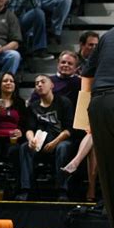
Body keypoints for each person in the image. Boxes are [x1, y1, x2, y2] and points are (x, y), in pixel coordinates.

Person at [80, 22, 114, 228]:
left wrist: (84, 121)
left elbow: (86, 76)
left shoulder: (110, 34)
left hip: (97, 107)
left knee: (112, 183)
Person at [16, 74, 74, 202]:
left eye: (43, 82)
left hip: (60, 140)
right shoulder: (33, 106)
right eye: (36, 83)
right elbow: (29, 128)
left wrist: (55, 142)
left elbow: (69, 129)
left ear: (52, 85)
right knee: (25, 147)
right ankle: (26, 189)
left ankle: (62, 191)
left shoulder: (64, 102)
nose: (39, 85)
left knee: (63, 148)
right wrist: (31, 139)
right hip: (40, 141)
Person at [0, 72, 26, 188]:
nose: (9, 83)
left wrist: (20, 131)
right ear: (0, 84)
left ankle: (17, 187)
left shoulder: (20, 103)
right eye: (5, 81)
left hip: (12, 139)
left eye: (11, 81)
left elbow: (24, 124)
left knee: (16, 151)